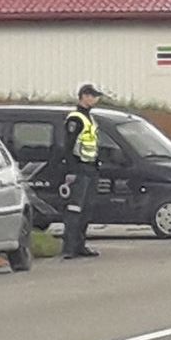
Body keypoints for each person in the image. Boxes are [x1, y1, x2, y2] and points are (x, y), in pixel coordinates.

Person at [61, 83, 104, 260]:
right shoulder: (76, 118)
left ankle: (80, 245)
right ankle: (69, 248)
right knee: (74, 209)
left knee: (87, 209)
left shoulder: (90, 118)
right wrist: (71, 171)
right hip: (79, 169)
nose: (95, 99)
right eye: (93, 96)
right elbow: (68, 146)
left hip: (91, 168)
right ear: (84, 96)